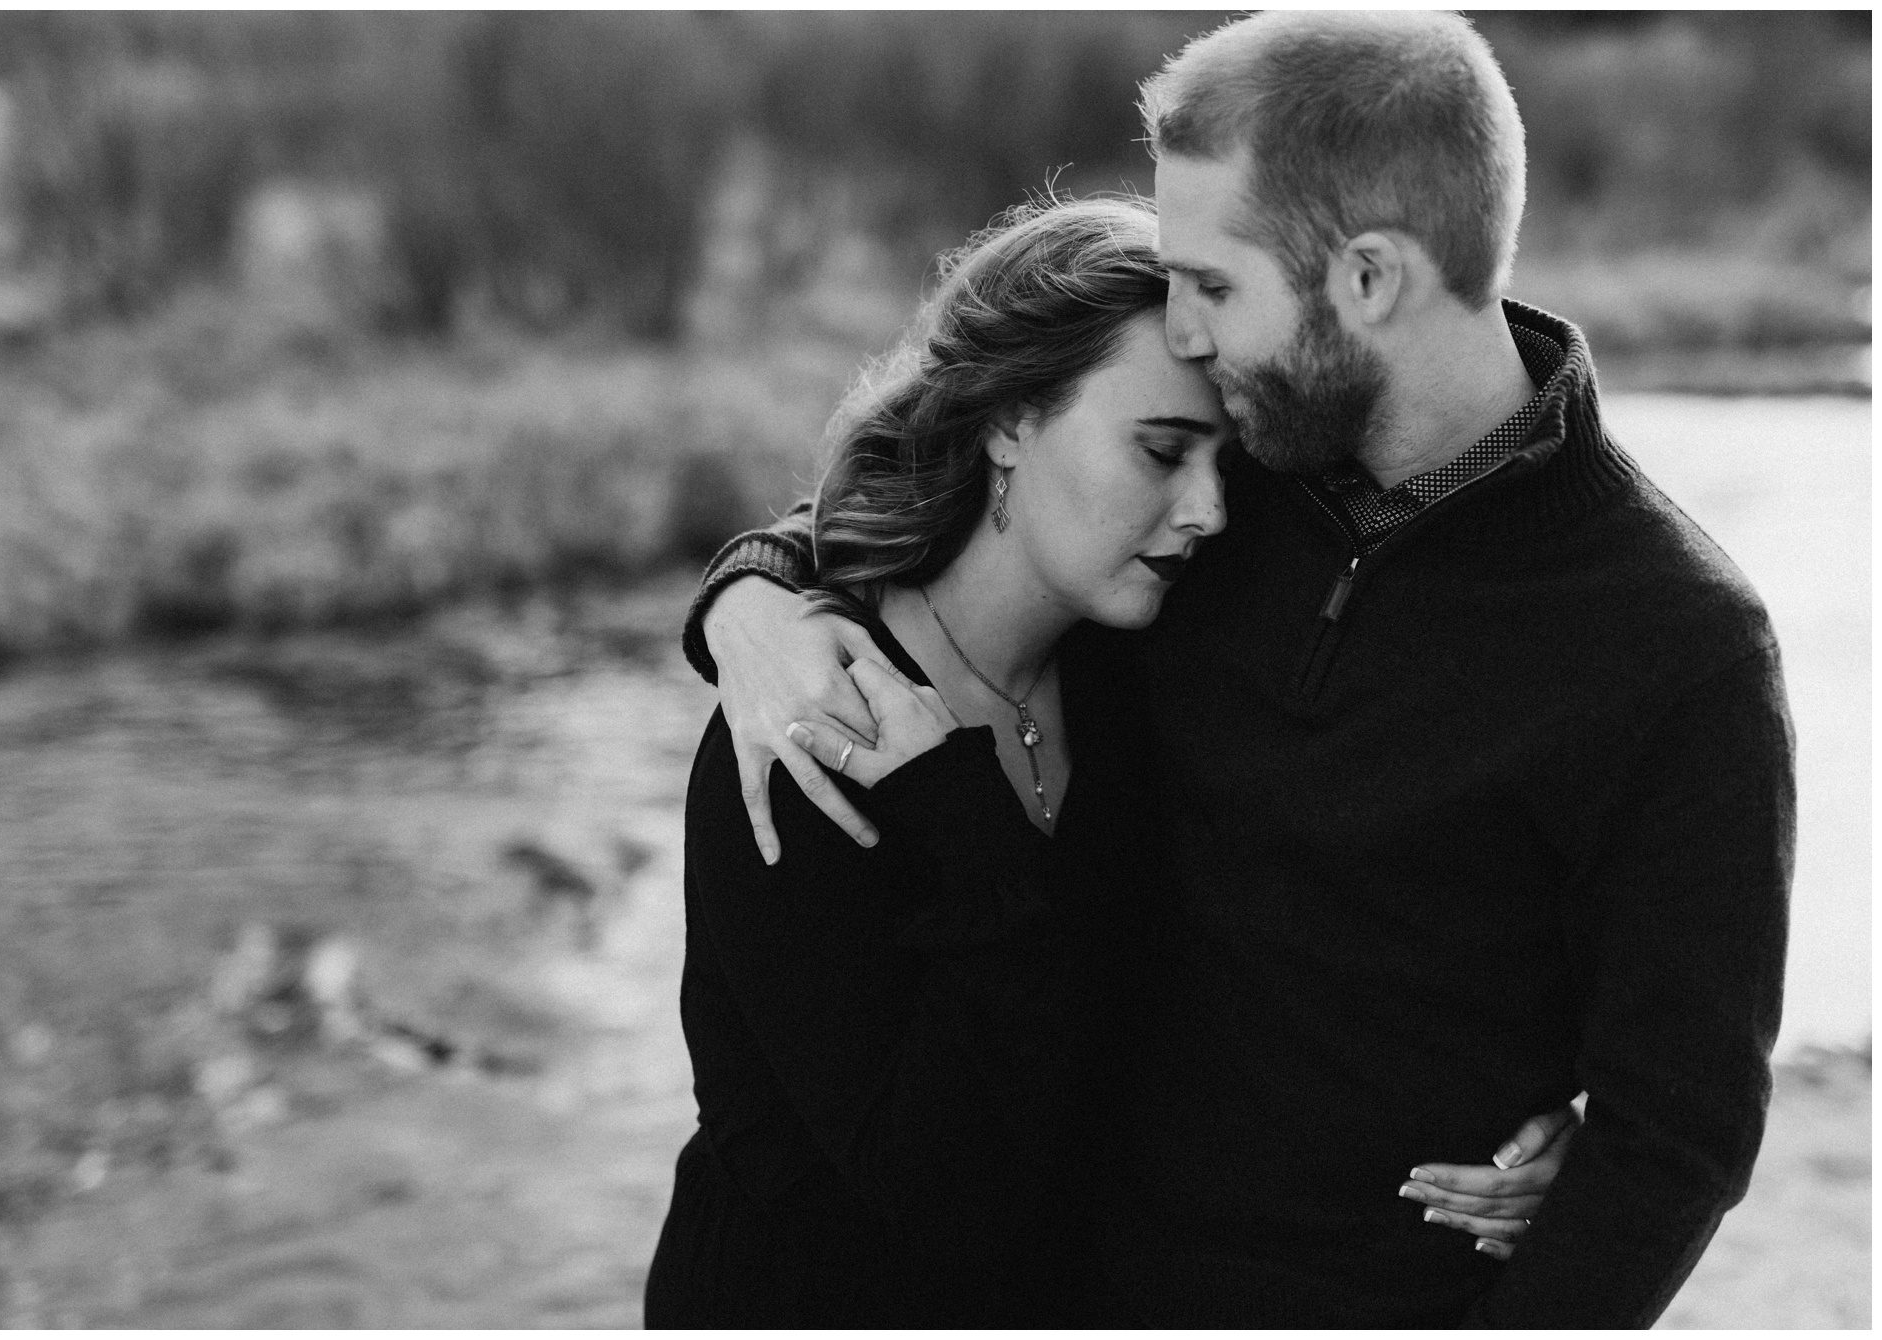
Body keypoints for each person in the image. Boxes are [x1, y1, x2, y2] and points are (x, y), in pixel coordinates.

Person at [681, 11, 1794, 1329]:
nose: (1188, 331)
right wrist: (750, 597)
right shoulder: (1243, 476)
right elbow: (982, 488)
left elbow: (1678, 1139)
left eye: (1214, 285)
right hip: (1075, 1284)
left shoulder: (1677, 646)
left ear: (1369, 280)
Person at [645, 197, 1574, 1329]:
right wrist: (957, 808)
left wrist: (1527, 1117)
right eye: (1160, 450)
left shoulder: (1140, 667)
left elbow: (1338, 925)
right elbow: (937, 1194)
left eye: (1226, 459)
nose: (1208, 511)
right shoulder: (806, 727)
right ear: (1005, 420)